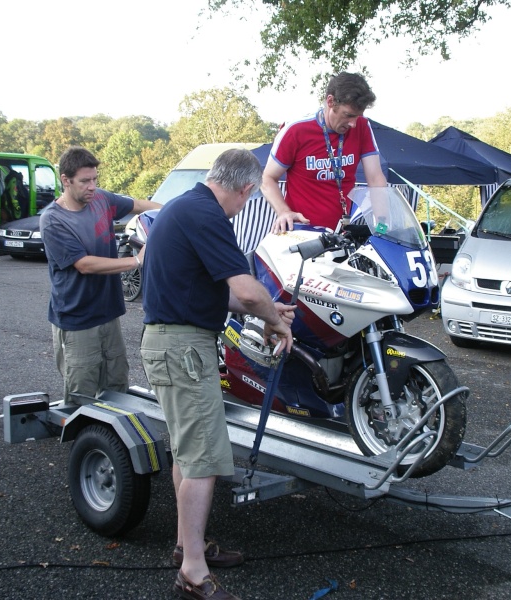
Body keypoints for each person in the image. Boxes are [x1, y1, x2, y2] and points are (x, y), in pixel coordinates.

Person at [140, 149, 294, 600]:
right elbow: (247, 293)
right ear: (246, 189)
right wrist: (276, 319)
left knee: (188, 455)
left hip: (170, 342)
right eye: (249, 199)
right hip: (183, 348)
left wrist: (267, 310)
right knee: (204, 458)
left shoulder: (184, 207)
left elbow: (202, 291)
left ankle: (186, 546)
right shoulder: (207, 215)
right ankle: (192, 572)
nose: (245, 206)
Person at [40, 146, 160, 405]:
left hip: (108, 313)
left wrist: (173, 214)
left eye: (95, 179)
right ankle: (86, 444)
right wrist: (136, 261)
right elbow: (84, 264)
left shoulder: (101, 199)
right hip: (77, 319)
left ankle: (110, 443)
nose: (92, 186)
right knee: (82, 393)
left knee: (117, 384)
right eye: (85, 181)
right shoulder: (53, 220)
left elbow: (138, 205)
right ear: (65, 180)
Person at [261, 71, 388, 233]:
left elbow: (376, 178)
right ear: (330, 101)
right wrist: (283, 211)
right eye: (348, 115)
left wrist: (383, 226)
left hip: (340, 234)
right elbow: (267, 178)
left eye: (358, 116)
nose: (353, 124)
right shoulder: (296, 130)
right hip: (301, 233)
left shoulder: (362, 126)